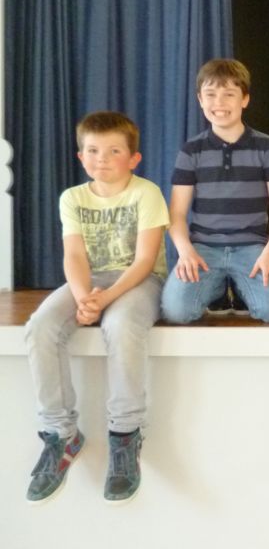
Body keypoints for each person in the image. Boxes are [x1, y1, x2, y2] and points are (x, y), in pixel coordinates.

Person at [25, 111, 168, 504]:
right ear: (80, 156)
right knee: (40, 326)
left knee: (120, 326)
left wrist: (103, 300)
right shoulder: (72, 198)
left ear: (133, 158)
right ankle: (60, 434)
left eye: (113, 151)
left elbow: (145, 261)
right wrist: (83, 296)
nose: (101, 158)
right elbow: (74, 255)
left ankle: (125, 434)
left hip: (139, 280)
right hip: (89, 280)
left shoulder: (146, 193)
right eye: (92, 151)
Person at [161, 59, 269, 323]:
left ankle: (241, 289)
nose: (219, 102)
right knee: (175, 312)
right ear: (200, 100)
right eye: (210, 94)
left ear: (244, 99)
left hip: (252, 248)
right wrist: (185, 251)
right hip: (204, 249)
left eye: (229, 94)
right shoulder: (191, 150)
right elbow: (176, 213)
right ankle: (218, 290)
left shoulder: (266, 146)